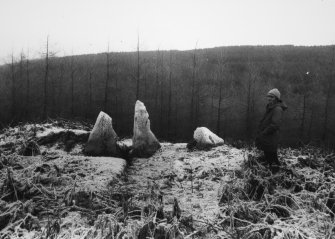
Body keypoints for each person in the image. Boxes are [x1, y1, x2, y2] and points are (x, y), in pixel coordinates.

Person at [255, 88, 287, 173]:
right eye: (268, 96)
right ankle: (272, 174)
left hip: (270, 138)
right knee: (269, 156)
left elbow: (275, 125)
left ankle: (276, 176)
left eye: (272, 97)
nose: (269, 98)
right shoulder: (271, 107)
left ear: (276, 98)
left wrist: (264, 133)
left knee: (272, 159)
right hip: (267, 138)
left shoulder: (277, 109)